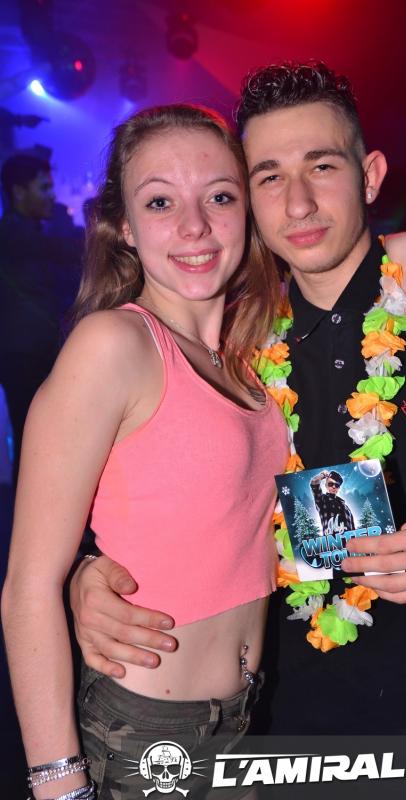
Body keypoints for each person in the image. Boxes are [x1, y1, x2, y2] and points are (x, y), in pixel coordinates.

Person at [70, 62, 406, 800]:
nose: (298, 202)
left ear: (369, 176)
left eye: (322, 166)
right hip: (273, 745)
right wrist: (88, 573)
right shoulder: (232, 345)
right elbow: (152, 492)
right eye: (269, 176)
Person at [1, 103, 290, 800]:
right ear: (124, 226)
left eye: (219, 197)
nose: (194, 227)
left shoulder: (253, 350)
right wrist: (59, 785)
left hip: (246, 718)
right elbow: (28, 587)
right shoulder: (114, 346)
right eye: (160, 202)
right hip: (148, 730)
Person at [0, 152, 82, 476]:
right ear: (19, 191)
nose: (52, 195)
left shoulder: (30, 233)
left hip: (34, 355)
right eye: (44, 188)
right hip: (26, 358)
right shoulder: (14, 238)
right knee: (34, 444)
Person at [310, 469, 355, 534]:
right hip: (332, 540)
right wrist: (323, 475)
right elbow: (314, 482)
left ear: (339, 488)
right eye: (330, 484)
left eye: (337, 485)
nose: (334, 487)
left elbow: (353, 529)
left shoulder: (346, 508)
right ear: (326, 485)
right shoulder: (322, 500)